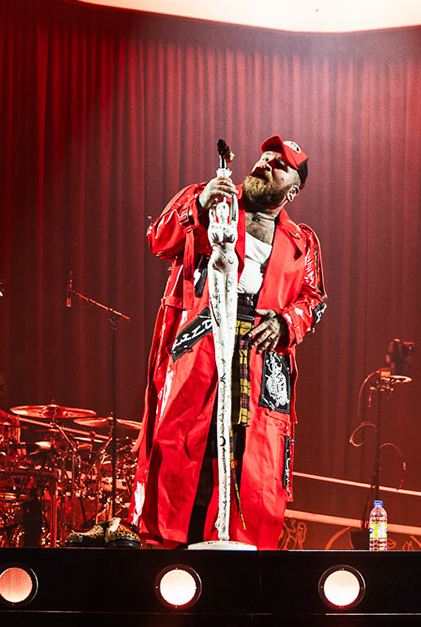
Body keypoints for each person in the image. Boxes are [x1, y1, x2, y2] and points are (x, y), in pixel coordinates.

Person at [130, 136, 325, 548]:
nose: (265, 165)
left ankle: (241, 563)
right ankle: (167, 552)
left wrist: (287, 322)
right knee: (181, 446)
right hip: (202, 343)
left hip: (260, 358)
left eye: (279, 165)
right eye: (265, 158)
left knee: (255, 462)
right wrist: (198, 207)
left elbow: (313, 299)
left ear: (293, 189)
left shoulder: (302, 241)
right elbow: (159, 241)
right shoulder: (211, 201)